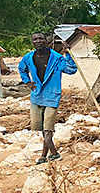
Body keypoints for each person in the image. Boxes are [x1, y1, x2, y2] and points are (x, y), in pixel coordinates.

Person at [18, 32, 77, 164]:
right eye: (35, 39)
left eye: (40, 38)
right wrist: (27, 81)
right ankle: (45, 156)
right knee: (42, 130)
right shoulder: (28, 57)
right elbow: (21, 68)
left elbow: (71, 69)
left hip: (52, 97)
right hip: (36, 97)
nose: (38, 41)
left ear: (47, 41)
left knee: (48, 130)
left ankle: (54, 153)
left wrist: (68, 54)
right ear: (32, 42)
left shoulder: (56, 58)